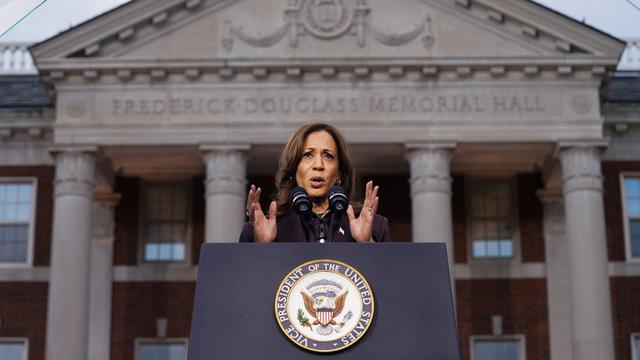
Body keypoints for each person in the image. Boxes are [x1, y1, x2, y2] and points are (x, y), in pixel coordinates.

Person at [239, 122, 390, 243]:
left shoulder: (374, 227)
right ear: (294, 169)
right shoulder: (262, 230)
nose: (318, 165)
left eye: (328, 156)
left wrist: (367, 244)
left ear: (339, 173)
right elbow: (242, 279)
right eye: (308, 155)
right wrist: (262, 248)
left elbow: (389, 279)